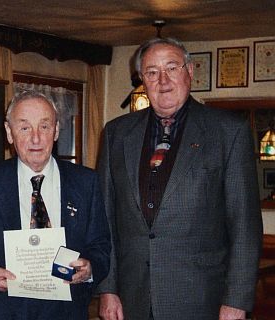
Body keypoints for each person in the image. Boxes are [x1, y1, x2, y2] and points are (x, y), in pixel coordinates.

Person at [97, 37, 263, 320]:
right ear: (142, 80)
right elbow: (106, 220)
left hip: (202, 301)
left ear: (190, 71)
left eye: (172, 68)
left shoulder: (228, 132)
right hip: (132, 301)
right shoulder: (116, 134)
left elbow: (245, 225)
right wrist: (107, 289)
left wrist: (236, 301)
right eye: (151, 72)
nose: (163, 80)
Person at [0, 90, 111, 320]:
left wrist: (89, 268)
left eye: (44, 127)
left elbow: (101, 244)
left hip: (66, 313)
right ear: (9, 132)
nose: (36, 138)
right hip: (2, 312)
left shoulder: (86, 182)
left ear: (56, 131)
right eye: (25, 128)